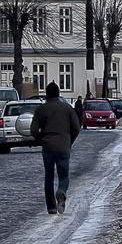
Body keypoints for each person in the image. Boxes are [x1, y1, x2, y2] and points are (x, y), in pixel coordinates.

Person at [30, 82, 80, 215]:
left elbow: (33, 130)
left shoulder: (41, 109)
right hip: (63, 146)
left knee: (49, 176)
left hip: (47, 147)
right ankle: (61, 192)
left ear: (46, 93)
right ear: (58, 93)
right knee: (64, 176)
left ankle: (51, 207)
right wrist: (70, 141)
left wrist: (41, 140)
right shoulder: (67, 108)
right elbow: (76, 127)